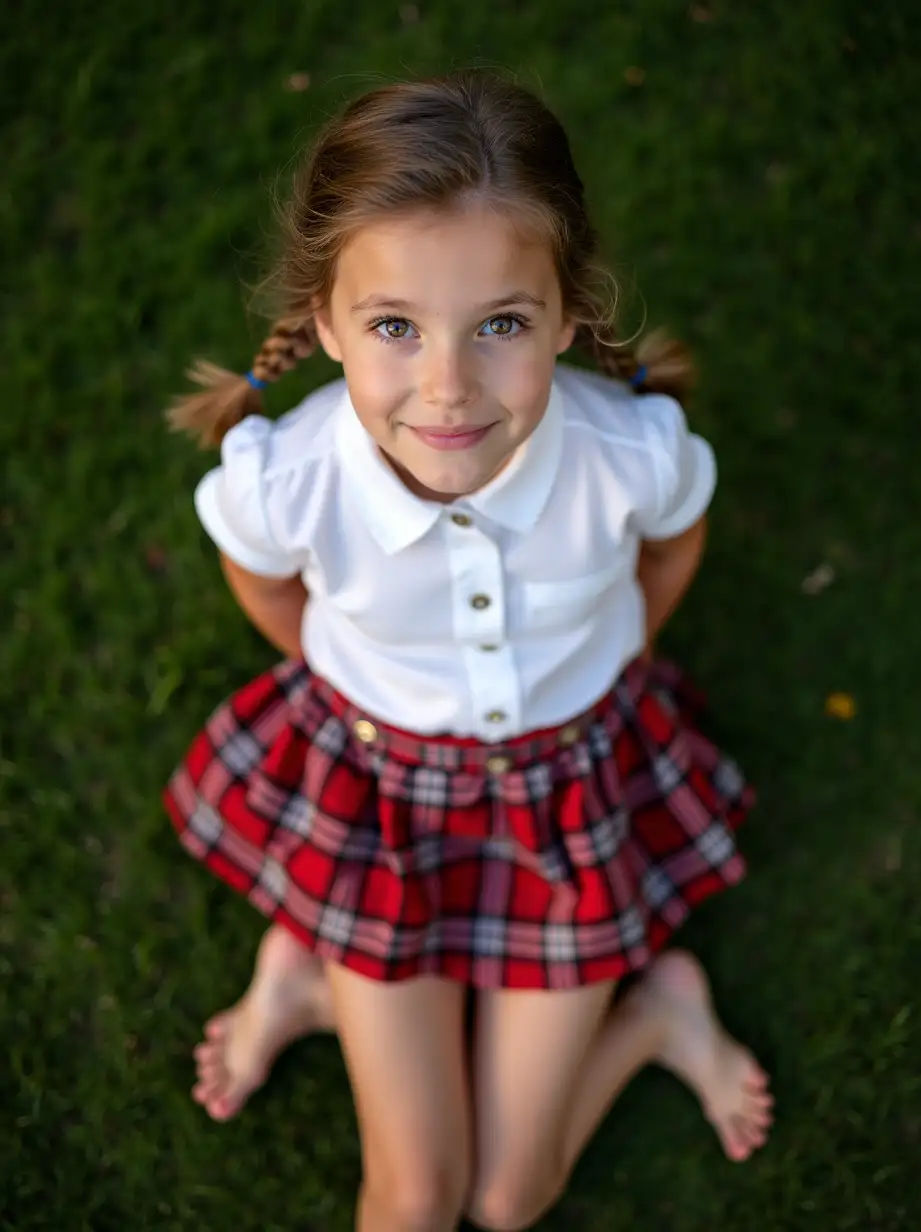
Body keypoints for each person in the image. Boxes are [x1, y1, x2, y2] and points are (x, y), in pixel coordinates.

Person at [163, 69, 773, 1232]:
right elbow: (260, 577)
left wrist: (622, 649)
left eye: (500, 324)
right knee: (415, 1196)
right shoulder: (285, 481)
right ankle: (307, 976)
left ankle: (654, 1014)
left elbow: (672, 543)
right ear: (329, 322)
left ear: (563, 313)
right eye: (395, 326)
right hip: (379, 800)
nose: (447, 389)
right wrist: (337, 673)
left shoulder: (631, 456)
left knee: (502, 1198)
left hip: (570, 790)